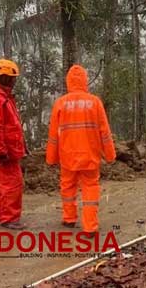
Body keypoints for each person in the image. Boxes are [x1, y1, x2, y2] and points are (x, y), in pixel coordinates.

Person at [46, 64, 116, 233]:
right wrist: (110, 155)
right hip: (90, 156)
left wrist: (51, 158)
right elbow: (104, 132)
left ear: (68, 81)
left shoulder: (60, 103)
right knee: (90, 188)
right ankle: (90, 226)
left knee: (67, 187)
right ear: (85, 80)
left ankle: (69, 219)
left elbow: (54, 135)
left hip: (67, 156)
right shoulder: (95, 102)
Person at [0, 58, 27, 229]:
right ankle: (9, 218)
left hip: (9, 149)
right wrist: (1, 150)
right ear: (6, 78)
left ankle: (1, 214)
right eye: (13, 78)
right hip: (5, 151)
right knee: (12, 184)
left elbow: (10, 125)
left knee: (3, 183)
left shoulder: (3, 97)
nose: (15, 81)